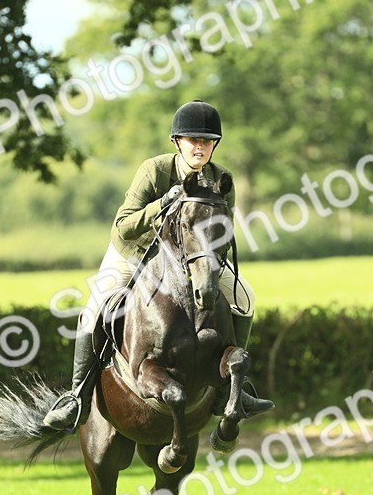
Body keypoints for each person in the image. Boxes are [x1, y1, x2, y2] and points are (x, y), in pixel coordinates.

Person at [42, 99, 273, 432]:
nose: (201, 146)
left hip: (193, 261)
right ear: (178, 142)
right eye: (193, 140)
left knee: (245, 296)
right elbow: (123, 225)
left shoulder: (222, 179)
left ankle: (231, 392)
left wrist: (211, 264)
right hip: (135, 253)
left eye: (207, 141)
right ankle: (77, 397)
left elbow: (224, 230)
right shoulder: (155, 170)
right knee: (95, 307)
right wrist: (164, 203)